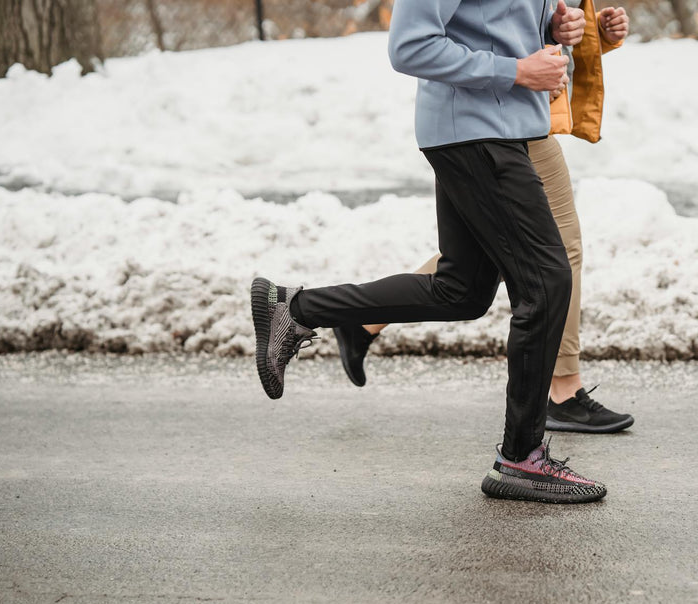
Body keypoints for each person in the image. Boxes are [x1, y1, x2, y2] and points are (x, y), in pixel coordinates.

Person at [251, 0, 607, 504]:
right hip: (477, 132)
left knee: (460, 291)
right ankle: (522, 458)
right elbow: (411, 45)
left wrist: (553, 24)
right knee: (547, 284)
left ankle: (296, 308)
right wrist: (516, 70)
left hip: (503, 129)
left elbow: (493, 21)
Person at [334, 1, 634, 435]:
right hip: (484, 122)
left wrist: (579, 32)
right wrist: (518, 70)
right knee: (551, 253)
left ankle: (356, 319)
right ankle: (560, 394)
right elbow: (415, 45)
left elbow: (507, 28)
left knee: (489, 257)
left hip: (517, 117)